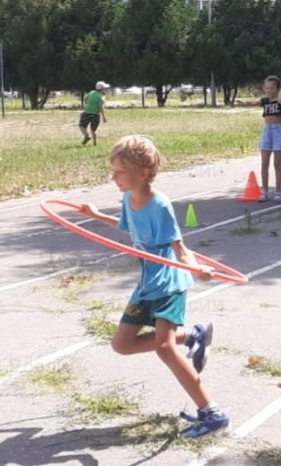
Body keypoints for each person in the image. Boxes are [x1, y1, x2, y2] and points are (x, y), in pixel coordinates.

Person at [81, 135, 228, 438]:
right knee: (121, 344)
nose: (113, 177)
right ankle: (193, 334)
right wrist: (95, 216)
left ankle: (212, 412)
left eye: (119, 171)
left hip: (169, 281)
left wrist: (196, 268)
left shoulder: (159, 204)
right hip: (147, 281)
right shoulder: (127, 198)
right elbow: (126, 226)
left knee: (164, 348)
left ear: (143, 173)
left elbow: (180, 246)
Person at [258, 76, 281, 202]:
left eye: (272, 88)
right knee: (264, 163)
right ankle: (264, 191)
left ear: (278, 89)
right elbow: (256, 103)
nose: (269, 90)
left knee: (277, 163)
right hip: (267, 130)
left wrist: (280, 101)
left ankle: (278, 191)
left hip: (277, 130)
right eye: (267, 88)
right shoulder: (264, 100)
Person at [79, 81, 109, 146]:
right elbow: (100, 107)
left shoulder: (91, 92)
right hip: (95, 114)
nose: (105, 89)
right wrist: (104, 117)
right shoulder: (101, 97)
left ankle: (86, 135)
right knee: (94, 130)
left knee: (82, 126)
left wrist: (87, 104)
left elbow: (86, 99)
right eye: (104, 88)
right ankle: (95, 143)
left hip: (87, 112)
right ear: (101, 89)